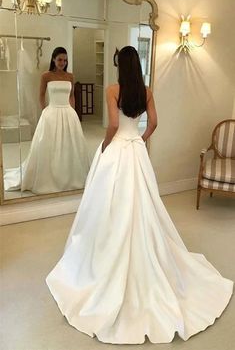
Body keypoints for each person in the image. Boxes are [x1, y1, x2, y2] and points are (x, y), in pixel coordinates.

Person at [46, 46, 233, 344]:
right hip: (136, 150)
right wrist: (141, 139)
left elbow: (114, 125)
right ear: (139, 66)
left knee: (108, 203)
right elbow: (154, 122)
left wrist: (107, 146)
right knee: (144, 203)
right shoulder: (145, 90)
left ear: (121, 66)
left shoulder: (112, 89)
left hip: (118, 148)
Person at [4, 47, 90, 194]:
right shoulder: (46, 75)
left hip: (68, 113)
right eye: (59, 59)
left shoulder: (70, 76)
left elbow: (72, 96)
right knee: (49, 145)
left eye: (65, 59)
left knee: (70, 145)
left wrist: (73, 112)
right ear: (53, 59)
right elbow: (41, 95)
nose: (62, 62)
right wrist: (45, 111)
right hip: (52, 112)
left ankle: (70, 175)